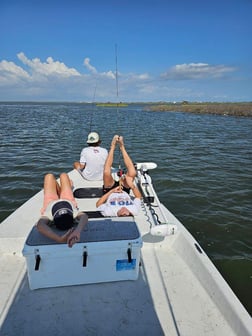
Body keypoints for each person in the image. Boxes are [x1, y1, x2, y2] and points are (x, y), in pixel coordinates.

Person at [37, 173, 88, 247]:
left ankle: (58, 188)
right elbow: (84, 216)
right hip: (68, 199)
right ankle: (61, 188)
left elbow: (40, 226)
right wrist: (77, 231)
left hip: (50, 202)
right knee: (63, 175)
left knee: (49, 176)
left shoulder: (49, 216)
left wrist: (59, 239)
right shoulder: (74, 214)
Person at [96, 135, 142, 217]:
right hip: (124, 190)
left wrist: (112, 191)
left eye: (122, 214)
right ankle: (122, 147)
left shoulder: (109, 212)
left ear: (118, 215)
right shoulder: (134, 210)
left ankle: (112, 146)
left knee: (106, 172)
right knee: (132, 172)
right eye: (127, 213)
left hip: (110, 191)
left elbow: (98, 204)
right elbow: (138, 197)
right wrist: (132, 185)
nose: (124, 210)